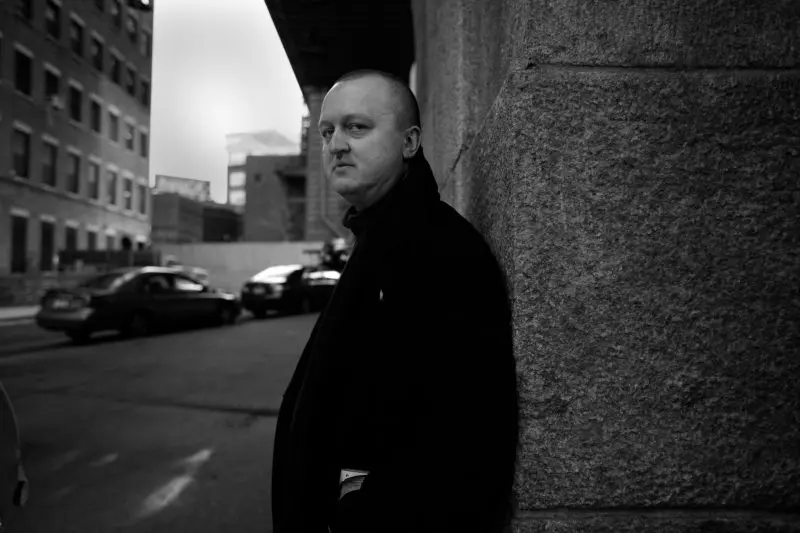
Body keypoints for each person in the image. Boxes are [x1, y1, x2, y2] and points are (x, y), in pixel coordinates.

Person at [271, 69, 519, 533]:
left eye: (356, 127)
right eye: (327, 132)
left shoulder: (438, 250)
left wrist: (355, 505)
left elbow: (467, 440)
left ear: (409, 142)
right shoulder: (380, 238)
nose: (336, 144)